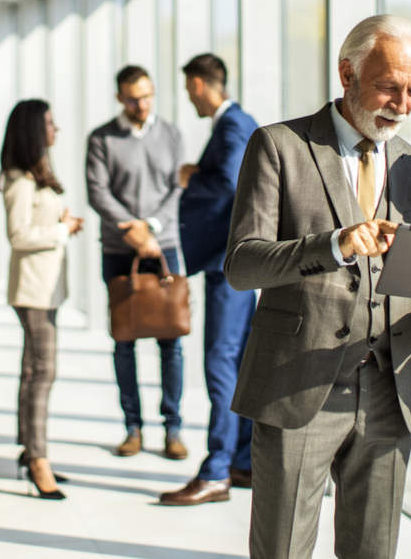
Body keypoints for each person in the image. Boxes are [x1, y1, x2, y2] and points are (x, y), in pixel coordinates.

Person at [224, 15, 411, 558]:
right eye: (389, 86)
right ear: (347, 72)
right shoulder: (278, 146)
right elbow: (242, 265)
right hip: (298, 387)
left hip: (390, 392)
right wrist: (334, 244)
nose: (402, 105)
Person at [158, 54, 259, 506]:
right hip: (232, 264)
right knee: (237, 365)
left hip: (227, 265)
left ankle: (218, 468)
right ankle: (241, 460)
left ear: (200, 83)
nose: (188, 98)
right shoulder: (236, 122)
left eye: (188, 89)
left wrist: (190, 176)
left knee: (221, 364)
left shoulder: (233, 123)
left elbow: (232, 181)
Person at [86, 65, 188, 459]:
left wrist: (152, 227)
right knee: (124, 340)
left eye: (146, 96)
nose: (141, 104)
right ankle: (133, 428)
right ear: (119, 98)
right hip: (119, 250)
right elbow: (98, 192)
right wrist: (132, 230)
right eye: (132, 98)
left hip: (165, 248)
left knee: (171, 340)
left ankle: (173, 429)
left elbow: (177, 188)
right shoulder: (101, 139)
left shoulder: (171, 134)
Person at [0, 99, 84, 500]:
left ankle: (30, 451)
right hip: (33, 291)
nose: (57, 129)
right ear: (34, 129)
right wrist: (62, 230)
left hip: (44, 288)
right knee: (42, 374)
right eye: (50, 123)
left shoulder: (35, 175)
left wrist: (62, 227)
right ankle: (38, 460)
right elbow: (18, 237)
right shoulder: (18, 180)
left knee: (33, 372)